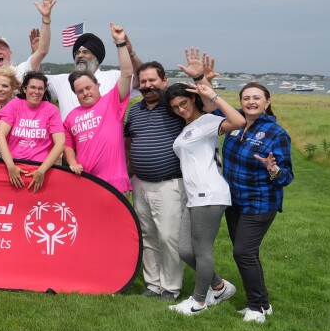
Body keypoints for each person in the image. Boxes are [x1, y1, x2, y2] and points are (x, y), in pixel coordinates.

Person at [165, 72, 245, 316]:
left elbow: (239, 121)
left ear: (193, 100)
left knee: (202, 250)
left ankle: (198, 302)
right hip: (195, 196)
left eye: (184, 103)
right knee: (185, 251)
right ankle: (219, 287)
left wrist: (214, 96)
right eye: (175, 107)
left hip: (209, 194)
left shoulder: (208, 121)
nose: (180, 109)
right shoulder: (189, 127)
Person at [219, 82, 294, 323]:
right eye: (246, 98)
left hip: (260, 203)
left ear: (267, 102)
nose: (251, 102)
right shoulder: (234, 121)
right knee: (248, 254)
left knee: (243, 252)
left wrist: (273, 169)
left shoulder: (276, 134)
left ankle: (256, 309)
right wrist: (202, 79)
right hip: (234, 202)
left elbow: (287, 177)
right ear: (240, 101)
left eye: (257, 98)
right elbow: (210, 105)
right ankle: (262, 303)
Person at [124, 61, 186, 301]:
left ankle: (171, 287)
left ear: (164, 81)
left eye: (152, 80)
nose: (147, 85)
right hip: (140, 183)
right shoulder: (135, 111)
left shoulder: (175, 108)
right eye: (143, 81)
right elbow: (129, 142)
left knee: (168, 237)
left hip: (168, 183)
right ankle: (153, 284)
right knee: (147, 236)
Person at [63, 24, 134, 193]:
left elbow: (127, 74)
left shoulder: (112, 102)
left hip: (114, 184)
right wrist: (72, 162)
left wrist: (121, 43)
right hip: (86, 183)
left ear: (97, 85)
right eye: (80, 91)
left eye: (88, 88)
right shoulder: (71, 117)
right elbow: (67, 145)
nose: (85, 93)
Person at [47, 31, 143, 120]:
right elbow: (36, 81)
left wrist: (130, 53)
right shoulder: (62, 81)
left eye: (85, 52)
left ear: (97, 59)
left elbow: (141, 79)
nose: (80, 55)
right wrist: (36, 54)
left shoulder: (113, 77)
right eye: (77, 52)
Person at [0, 71, 65, 192]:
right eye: (32, 87)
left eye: (40, 88)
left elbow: (60, 143)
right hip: (14, 168)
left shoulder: (51, 110)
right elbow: (0, 135)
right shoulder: (14, 105)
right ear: (25, 89)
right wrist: (11, 167)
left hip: (40, 169)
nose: (36, 92)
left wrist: (41, 171)